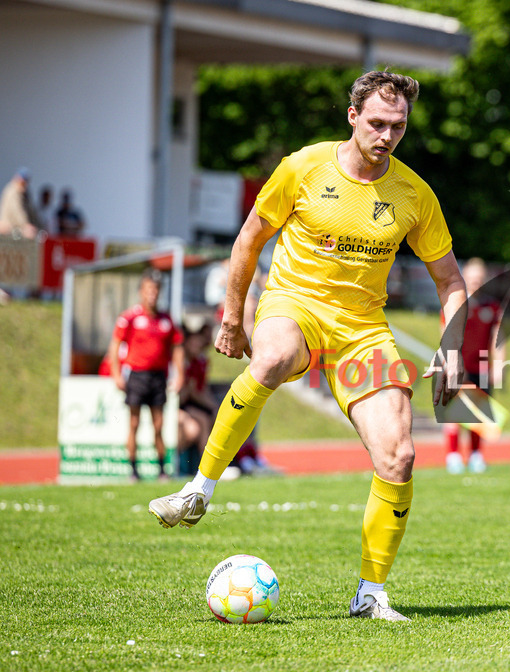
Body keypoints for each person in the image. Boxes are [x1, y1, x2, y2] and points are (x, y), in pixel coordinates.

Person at [148, 70, 466, 622]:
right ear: (352, 117)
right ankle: (199, 489)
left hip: (362, 328)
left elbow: (451, 282)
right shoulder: (303, 166)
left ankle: (371, 595)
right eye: (376, 123)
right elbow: (249, 238)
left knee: (400, 453)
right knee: (271, 358)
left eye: (398, 126)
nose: (387, 136)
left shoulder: (415, 194)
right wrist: (231, 317)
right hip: (293, 305)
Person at [108, 269, 185, 481]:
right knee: (133, 423)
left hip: (158, 377)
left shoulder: (166, 320)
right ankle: (133, 470)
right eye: (149, 289)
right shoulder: (129, 317)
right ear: (142, 291)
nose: (153, 293)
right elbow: (115, 346)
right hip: (137, 376)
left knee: (158, 425)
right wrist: (116, 374)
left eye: (156, 289)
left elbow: (177, 347)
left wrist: (179, 375)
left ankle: (161, 469)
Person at [444, 258, 504, 475]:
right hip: (457, 367)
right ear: (465, 277)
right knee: (455, 413)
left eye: (480, 279)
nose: (476, 282)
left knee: (478, 415)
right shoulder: (454, 304)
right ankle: (453, 456)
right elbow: (445, 334)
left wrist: (499, 365)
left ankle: (476, 455)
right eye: (472, 278)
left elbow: (499, 338)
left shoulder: (492, 307)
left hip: (481, 369)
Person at [178, 322, 218, 474]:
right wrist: (213, 407)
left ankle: (209, 467)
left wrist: (214, 407)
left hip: (187, 405)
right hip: (177, 407)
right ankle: (207, 469)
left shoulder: (199, 361)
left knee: (205, 421)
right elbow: (189, 393)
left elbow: (199, 389)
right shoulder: (182, 363)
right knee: (197, 424)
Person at [0, 167, 41, 239]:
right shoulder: (13, 191)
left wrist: (39, 226)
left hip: (18, 226)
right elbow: (17, 211)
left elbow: (32, 211)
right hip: (10, 225)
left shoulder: (25, 192)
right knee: (28, 233)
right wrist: (25, 225)